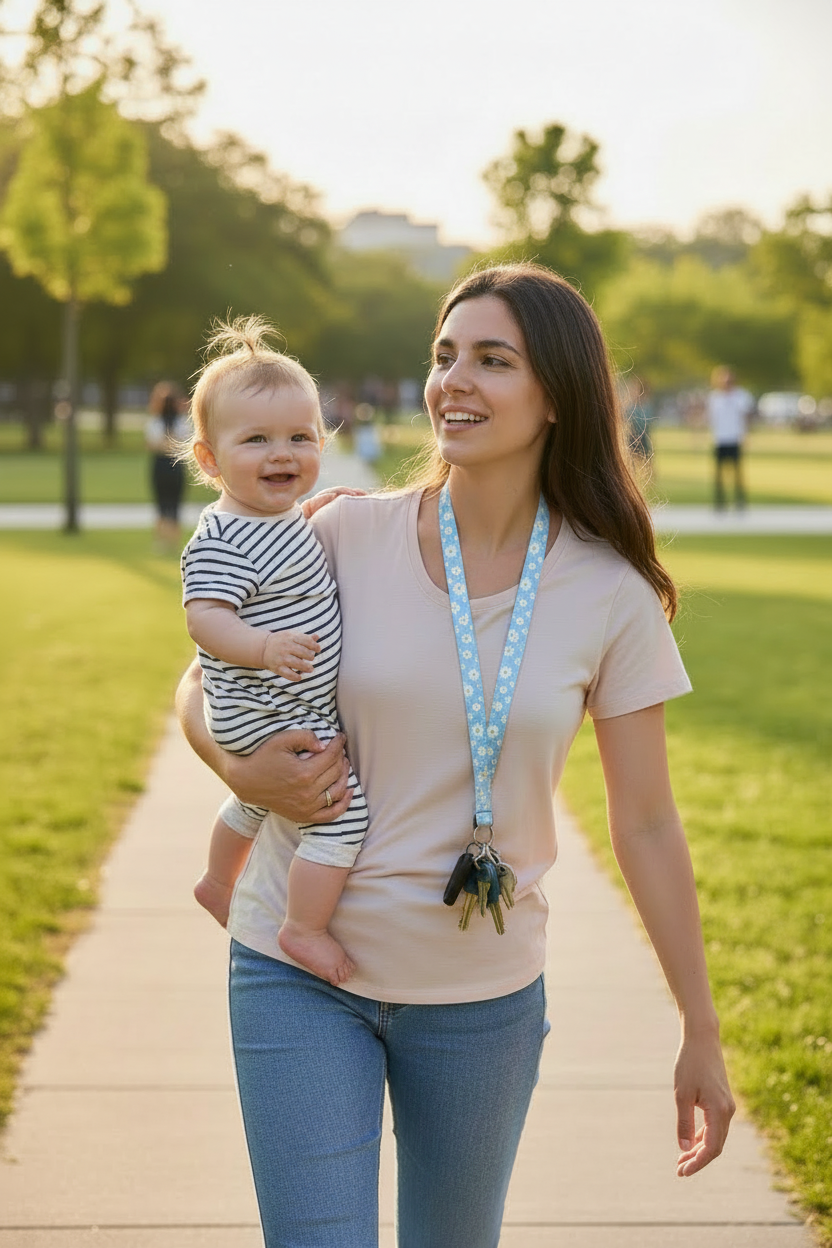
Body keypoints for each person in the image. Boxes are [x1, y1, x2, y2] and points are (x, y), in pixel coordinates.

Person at [177, 263, 735, 1248]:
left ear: (557, 394)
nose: (452, 382)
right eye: (443, 357)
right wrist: (235, 769)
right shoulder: (341, 530)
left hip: (481, 1000)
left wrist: (699, 1028)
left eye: (491, 360)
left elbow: (645, 819)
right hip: (296, 972)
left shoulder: (609, 594)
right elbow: (197, 684)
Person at [180, 317, 369, 986]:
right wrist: (261, 647)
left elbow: (286, 547)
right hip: (268, 704)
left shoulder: (275, 517)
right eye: (256, 439)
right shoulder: (222, 538)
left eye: (299, 437)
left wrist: (318, 508)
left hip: (273, 700)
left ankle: (215, 880)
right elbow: (204, 618)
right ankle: (304, 927)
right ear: (209, 460)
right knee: (342, 811)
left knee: (256, 802)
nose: (280, 453)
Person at [145, 381, 191, 549]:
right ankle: (172, 541)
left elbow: (152, 445)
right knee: (173, 504)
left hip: (161, 464)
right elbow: (182, 444)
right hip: (175, 464)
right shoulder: (181, 423)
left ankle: (163, 541)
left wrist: (164, 444)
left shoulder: (155, 423)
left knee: (163, 503)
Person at [707, 366, 754, 509]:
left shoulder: (741, 396)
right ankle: (720, 503)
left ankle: (740, 501)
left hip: (734, 439)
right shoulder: (715, 398)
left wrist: (746, 434)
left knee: (737, 474)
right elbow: (710, 418)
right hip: (720, 439)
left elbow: (747, 416)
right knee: (718, 475)